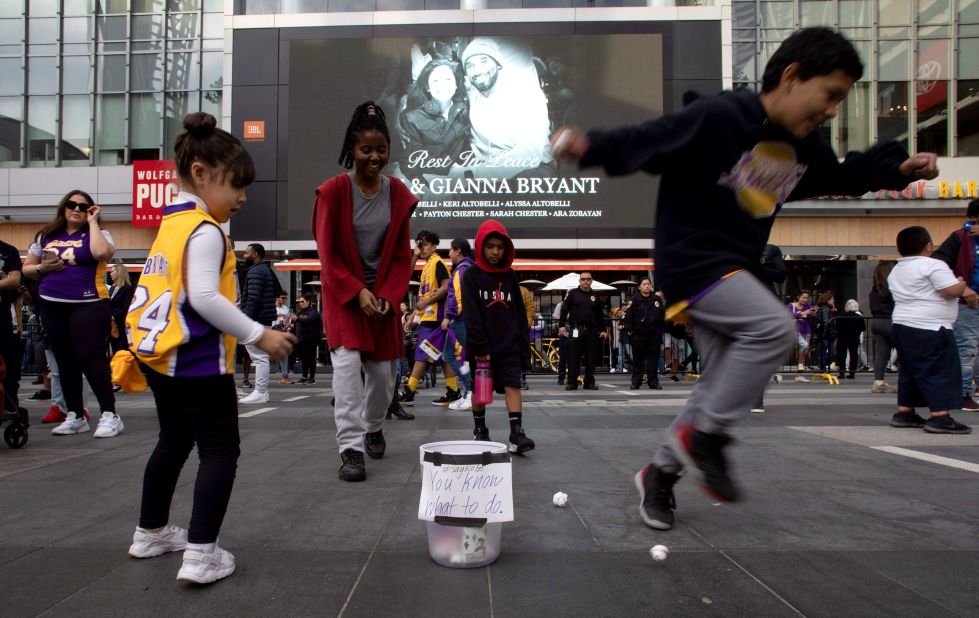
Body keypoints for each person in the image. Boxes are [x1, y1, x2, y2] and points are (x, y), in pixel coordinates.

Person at [550, 27, 940, 529]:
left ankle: (660, 475)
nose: (830, 111)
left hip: (736, 267)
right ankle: (707, 439)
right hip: (692, 260)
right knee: (775, 330)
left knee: (716, 384)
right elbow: (651, 137)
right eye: (831, 95)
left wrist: (899, 169)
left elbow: (839, 176)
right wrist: (586, 146)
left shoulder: (804, 146)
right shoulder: (720, 118)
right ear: (793, 76)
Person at [126, 112, 295, 583]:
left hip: (160, 357)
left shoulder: (171, 224)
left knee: (173, 442)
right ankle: (201, 554)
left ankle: (151, 531)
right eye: (236, 185)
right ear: (200, 173)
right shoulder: (206, 230)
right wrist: (258, 334)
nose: (241, 197)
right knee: (220, 450)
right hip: (197, 359)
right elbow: (203, 297)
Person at [312, 101, 417, 482]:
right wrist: (357, 292)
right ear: (351, 150)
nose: (374, 157)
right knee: (345, 370)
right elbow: (328, 252)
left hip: (383, 298)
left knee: (383, 377)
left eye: (381, 149)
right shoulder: (333, 192)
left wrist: (388, 296)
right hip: (345, 296)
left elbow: (402, 256)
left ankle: (374, 426)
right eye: (365, 150)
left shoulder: (398, 193)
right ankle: (351, 449)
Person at [21, 190, 121, 438]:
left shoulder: (98, 233)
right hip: (52, 302)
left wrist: (93, 222)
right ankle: (75, 414)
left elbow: (101, 254)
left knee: (91, 357)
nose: (76, 209)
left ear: (90, 209)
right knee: (64, 360)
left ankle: (110, 414)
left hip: (89, 302)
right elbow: (28, 269)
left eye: (83, 206)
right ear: (63, 207)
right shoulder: (46, 235)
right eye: (71, 204)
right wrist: (42, 267)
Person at [887, 226, 971, 434]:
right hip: (931, 326)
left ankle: (905, 412)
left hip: (902, 325)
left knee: (910, 371)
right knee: (939, 370)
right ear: (929, 246)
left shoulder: (896, 269)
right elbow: (950, 291)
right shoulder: (933, 265)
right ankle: (940, 417)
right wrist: (961, 285)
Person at [461, 219, 534, 452]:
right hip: (482, 346)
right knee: (481, 392)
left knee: (513, 385)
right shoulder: (471, 275)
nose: (495, 251)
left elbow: (520, 314)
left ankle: (516, 433)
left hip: (509, 344)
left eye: (500, 247)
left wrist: (523, 346)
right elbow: (471, 314)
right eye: (490, 246)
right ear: (481, 246)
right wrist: (480, 345)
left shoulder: (510, 276)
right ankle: (480, 430)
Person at [456, 37, 553, 180]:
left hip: (531, 167)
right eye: (470, 65)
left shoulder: (526, 94)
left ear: (498, 65)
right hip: (484, 166)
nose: (478, 70)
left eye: (484, 61)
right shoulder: (472, 92)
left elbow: (529, 153)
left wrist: (473, 174)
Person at [399, 230, 462, 407]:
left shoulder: (437, 263)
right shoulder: (427, 266)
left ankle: (409, 391)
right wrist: (413, 316)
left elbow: (445, 287)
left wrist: (425, 303)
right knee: (442, 357)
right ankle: (453, 391)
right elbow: (422, 296)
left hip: (436, 319)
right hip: (430, 318)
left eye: (424, 244)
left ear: (434, 245)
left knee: (421, 353)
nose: (422, 248)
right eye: (419, 244)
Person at [932, 198, 979, 411]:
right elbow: (937, 265)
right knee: (967, 349)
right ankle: (962, 394)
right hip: (969, 303)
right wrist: (963, 288)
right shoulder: (960, 238)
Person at [399, 59, 470, 184]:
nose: (443, 85)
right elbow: (409, 162)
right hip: (426, 179)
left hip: (458, 178)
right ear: (427, 86)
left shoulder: (467, 110)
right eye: (436, 80)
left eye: (448, 79)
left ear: (456, 84)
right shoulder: (412, 117)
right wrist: (425, 187)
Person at [238, 243, 277, 404]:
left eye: (247, 252)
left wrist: (246, 319)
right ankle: (261, 391)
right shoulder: (263, 270)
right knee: (260, 356)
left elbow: (253, 299)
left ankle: (260, 391)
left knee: (259, 357)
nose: (244, 255)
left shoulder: (256, 272)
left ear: (255, 254)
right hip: (263, 318)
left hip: (257, 319)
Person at [559, 272, 607, 390]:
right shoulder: (572, 294)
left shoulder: (595, 296)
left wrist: (603, 329)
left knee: (591, 357)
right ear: (579, 281)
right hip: (576, 328)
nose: (586, 281)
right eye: (583, 279)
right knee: (573, 356)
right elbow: (564, 310)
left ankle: (589, 382)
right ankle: (572, 382)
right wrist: (561, 325)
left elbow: (600, 314)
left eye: (588, 279)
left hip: (591, 330)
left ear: (592, 281)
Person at [444, 238, 476, 411]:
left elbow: (458, 296)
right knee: (457, 356)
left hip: (460, 319)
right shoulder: (469, 267)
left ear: (458, 251)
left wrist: (448, 317)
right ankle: (468, 394)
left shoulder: (461, 270)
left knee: (450, 356)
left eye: (450, 250)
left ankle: (471, 392)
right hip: (465, 319)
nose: (449, 253)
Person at [625, 277, 665, 390]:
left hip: (653, 335)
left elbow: (662, 316)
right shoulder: (634, 300)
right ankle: (636, 382)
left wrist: (659, 331)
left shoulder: (656, 299)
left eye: (648, 284)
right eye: (644, 284)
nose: (647, 286)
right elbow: (629, 317)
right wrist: (631, 332)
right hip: (638, 334)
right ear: (639, 287)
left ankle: (653, 382)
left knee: (653, 360)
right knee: (638, 360)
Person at [0, 239, 23, 414]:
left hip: (2, 317)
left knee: (8, 364)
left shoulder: (8, 251)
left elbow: (14, 279)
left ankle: (9, 405)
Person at [869, 261, 898, 393]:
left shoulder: (874, 291)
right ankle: (905, 383)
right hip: (889, 320)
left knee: (881, 354)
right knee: (903, 351)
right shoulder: (891, 290)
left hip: (876, 322)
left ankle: (878, 382)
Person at [293, 294, 323, 384]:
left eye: (302, 301)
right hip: (302, 339)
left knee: (310, 358)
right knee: (303, 358)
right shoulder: (300, 312)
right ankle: (304, 376)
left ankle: (312, 378)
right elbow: (298, 324)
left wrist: (297, 318)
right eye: (299, 302)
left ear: (308, 301)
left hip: (311, 339)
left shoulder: (312, 311)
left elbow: (309, 319)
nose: (300, 304)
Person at [787, 291, 816, 382]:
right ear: (798, 297)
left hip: (806, 330)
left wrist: (812, 312)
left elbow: (813, 315)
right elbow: (789, 315)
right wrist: (803, 313)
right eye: (803, 297)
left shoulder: (808, 306)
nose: (805, 300)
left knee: (803, 350)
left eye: (807, 298)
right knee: (799, 347)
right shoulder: (791, 305)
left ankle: (800, 374)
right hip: (794, 330)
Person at [108, 262, 134, 358]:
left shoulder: (128, 288)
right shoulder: (112, 288)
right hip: (111, 324)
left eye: (112, 271)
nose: (110, 273)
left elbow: (126, 307)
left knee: (122, 349)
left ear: (119, 273)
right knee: (114, 348)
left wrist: (114, 316)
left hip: (120, 324)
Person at [835, 299, 865, 379]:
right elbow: (862, 328)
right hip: (854, 338)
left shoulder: (840, 316)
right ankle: (852, 373)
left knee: (842, 355)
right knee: (853, 355)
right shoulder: (858, 317)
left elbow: (836, 327)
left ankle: (842, 372)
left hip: (842, 337)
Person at [272, 292, 295, 384]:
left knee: (284, 355)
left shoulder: (287, 309)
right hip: (272, 332)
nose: (285, 300)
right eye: (283, 298)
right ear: (277, 298)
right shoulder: (272, 308)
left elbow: (289, 321)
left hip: (282, 332)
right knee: (265, 355)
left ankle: (285, 376)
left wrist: (288, 326)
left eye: (286, 298)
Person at [813, 292, 837, 373]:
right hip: (826, 335)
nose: (833, 301)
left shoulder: (823, 308)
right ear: (828, 300)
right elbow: (826, 322)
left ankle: (822, 368)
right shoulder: (826, 309)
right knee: (832, 353)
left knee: (824, 352)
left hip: (823, 334)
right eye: (832, 299)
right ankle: (821, 366)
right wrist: (829, 334)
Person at [519, 284, 535, 389]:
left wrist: (526, 324)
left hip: (520, 328)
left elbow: (530, 309)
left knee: (521, 354)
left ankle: (521, 379)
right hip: (504, 328)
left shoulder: (523, 291)